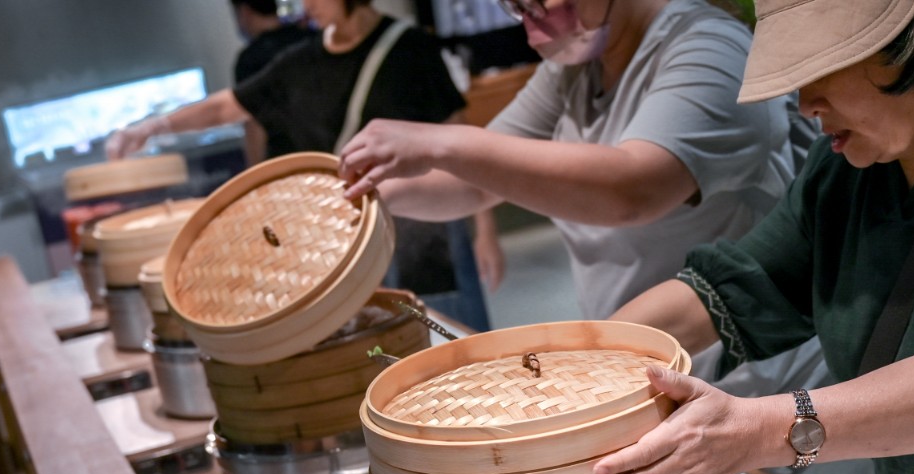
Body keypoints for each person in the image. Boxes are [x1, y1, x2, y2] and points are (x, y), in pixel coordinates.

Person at [583, 0, 914, 474]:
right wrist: (589, 358)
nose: (803, 102)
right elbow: (745, 281)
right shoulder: (853, 166)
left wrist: (757, 432)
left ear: (910, 39)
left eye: (820, 67)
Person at [337, 0, 827, 396]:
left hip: (755, 378)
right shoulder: (576, 69)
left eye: (538, 4)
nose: (530, 27)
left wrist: (442, 142)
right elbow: (473, 182)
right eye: (516, 10)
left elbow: (632, 189)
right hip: (639, 366)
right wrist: (355, 199)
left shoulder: (713, 50)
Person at [106, 0, 500, 331]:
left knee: (451, 337)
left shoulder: (410, 48)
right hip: (348, 237)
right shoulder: (301, 61)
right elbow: (230, 104)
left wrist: (484, 229)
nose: (303, 5)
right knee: (384, 344)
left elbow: (458, 137)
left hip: (428, 228)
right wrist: (154, 127)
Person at [229, 0, 317, 164]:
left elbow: (253, 121)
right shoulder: (310, 38)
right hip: (327, 147)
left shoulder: (250, 59)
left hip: (284, 158)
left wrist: (255, 175)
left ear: (244, 12)